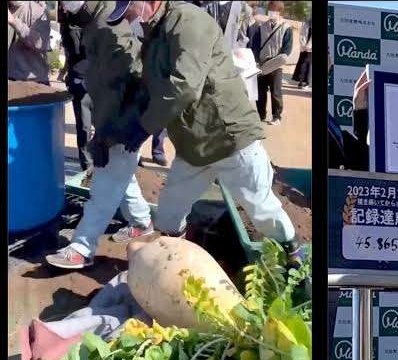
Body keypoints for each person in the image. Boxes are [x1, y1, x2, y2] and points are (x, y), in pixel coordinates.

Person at [106, 1, 303, 262]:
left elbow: (184, 86)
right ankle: (172, 265)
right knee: (169, 212)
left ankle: (294, 263)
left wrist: (144, 127)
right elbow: (149, 87)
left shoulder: (188, 21)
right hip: (193, 144)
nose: (131, 19)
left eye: (130, 12)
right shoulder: (153, 34)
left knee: (261, 209)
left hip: (228, 136)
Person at [46, 1, 154, 269]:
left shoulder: (107, 23)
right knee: (122, 174)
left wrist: (107, 131)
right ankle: (142, 221)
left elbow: (123, 81)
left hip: (124, 120)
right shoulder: (98, 19)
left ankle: (83, 247)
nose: (68, 13)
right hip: (121, 116)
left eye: (71, 9)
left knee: (105, 183)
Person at [58, 6, 93, 171]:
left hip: (98, 80)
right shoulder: (66, 18)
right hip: (78, 80)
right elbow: (69, 49)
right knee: (84, 128)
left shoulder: (97, 14)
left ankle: (104, 168)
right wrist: (66, 70)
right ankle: (88, 169)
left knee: (102, 127)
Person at [249, 1, 293, 125]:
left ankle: (276, 116)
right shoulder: (262, 26)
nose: (271, 12)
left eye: (274, 10)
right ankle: (260, 115)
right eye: (270, 9)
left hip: (276, 65)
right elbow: (256, 45)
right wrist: (256, 60)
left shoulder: (286, 27)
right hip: (262, 64)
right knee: (260, 91)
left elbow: (287, 49)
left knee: (276, 92)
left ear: (280, 11)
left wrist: (276, 61)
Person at [7, 1, 50, 85]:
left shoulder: (38, 10)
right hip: (10, 79)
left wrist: (13, 21)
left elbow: (40, 44)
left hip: (33, 81)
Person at [292, 17, 311, 90]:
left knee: (309, 66)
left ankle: (307, 83)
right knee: (302, 64)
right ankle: (300, 81)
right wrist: (303, 44)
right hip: (303, 48)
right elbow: (302, 34)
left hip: (311, 50)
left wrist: (309, 46)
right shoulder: (306, 23)